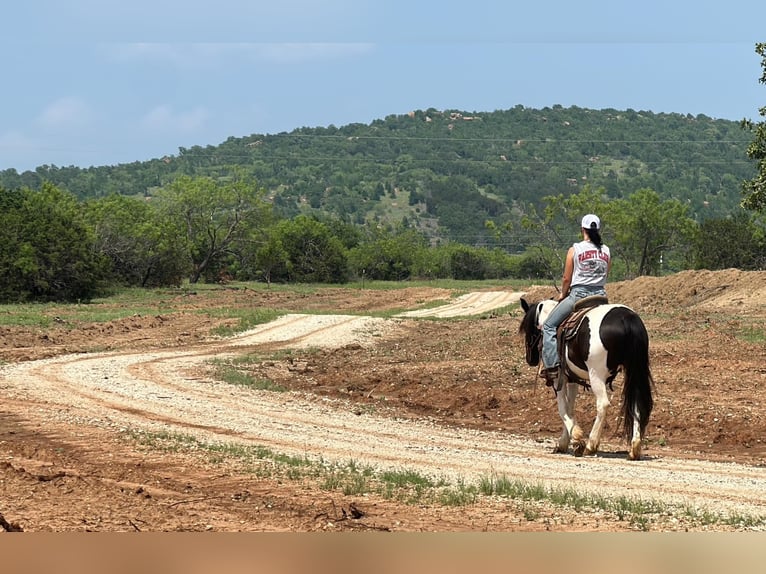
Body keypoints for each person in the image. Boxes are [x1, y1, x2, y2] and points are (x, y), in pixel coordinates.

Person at [540, 213, 611, 387]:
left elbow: (566, 278)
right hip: (601, 297)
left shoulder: (575, 249)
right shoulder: (606, 250)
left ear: (582, 230)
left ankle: (552, 367)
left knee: (548, 326)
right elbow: (606, 274)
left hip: (579, 295)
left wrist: (563, 295)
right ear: (598, 230)